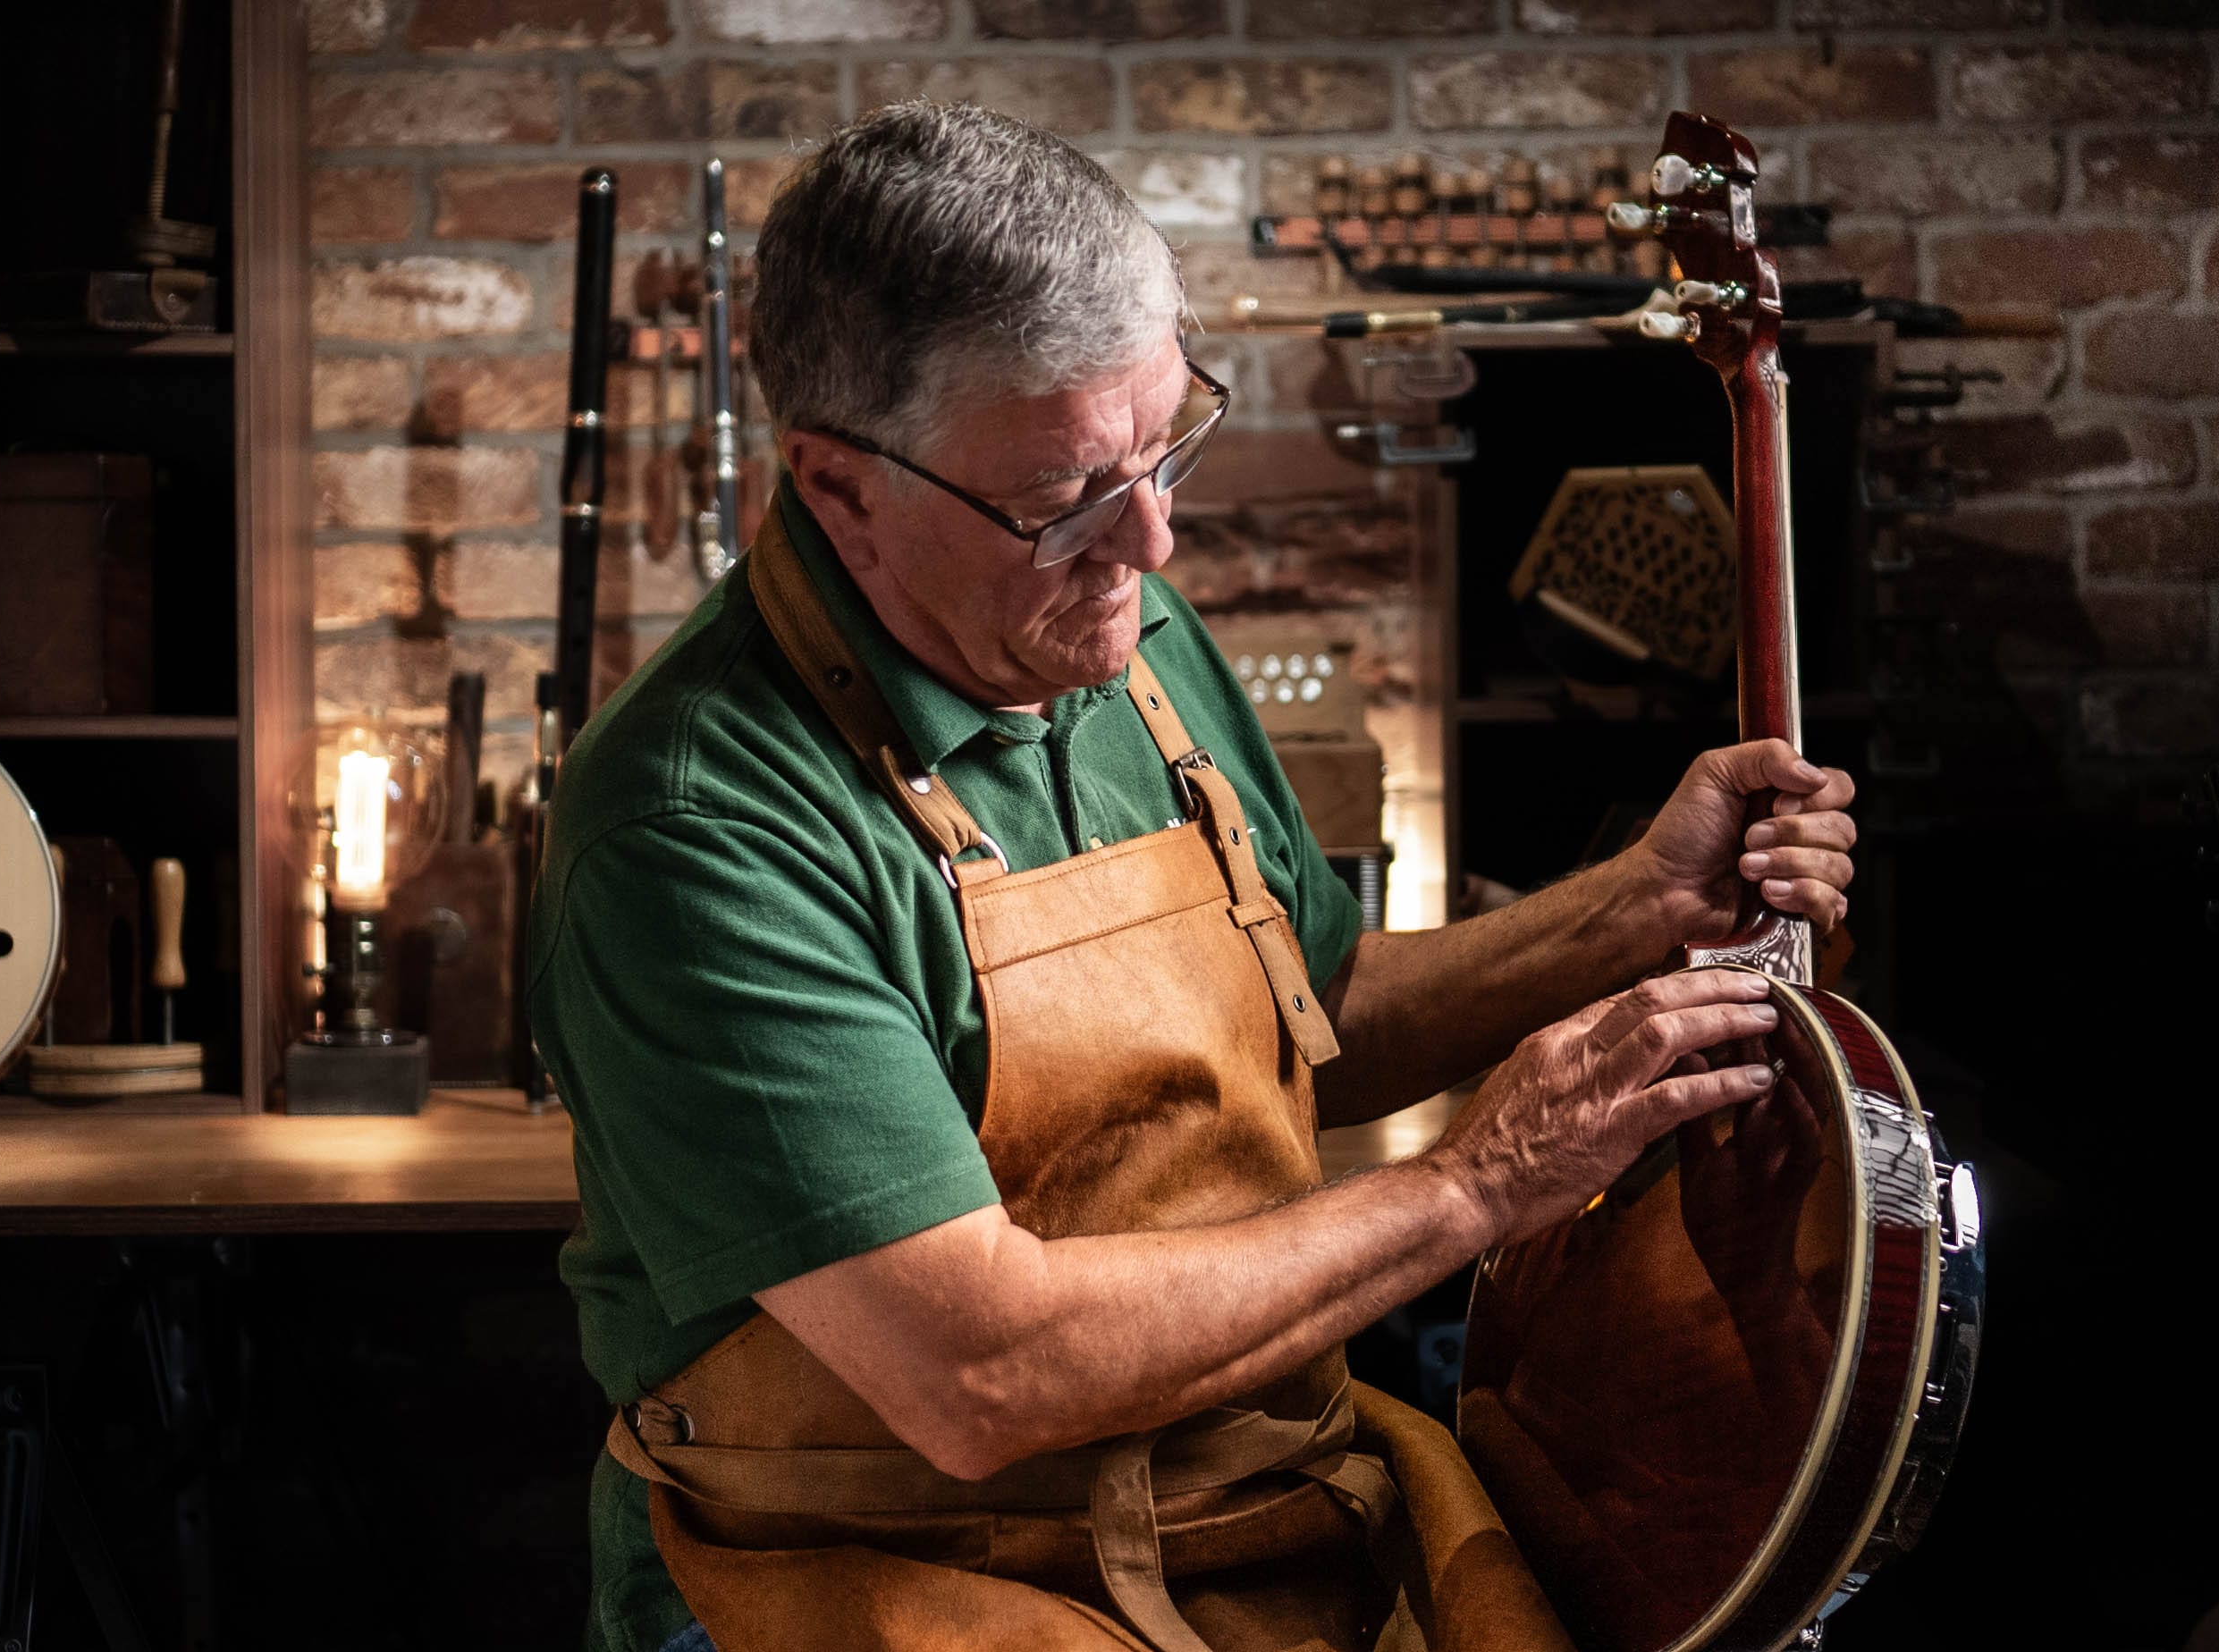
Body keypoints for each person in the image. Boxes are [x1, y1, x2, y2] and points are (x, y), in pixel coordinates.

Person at [528, 102, 1859, 1652]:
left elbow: (1311, 1009)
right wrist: (1478, 1185)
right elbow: (982, 1374)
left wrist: (1630, 910)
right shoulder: (698, 827)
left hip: (1247, 1499)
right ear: (840, 491)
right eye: (1069, 502)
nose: (1151, 544)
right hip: (889, 1566)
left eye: (1167, 449)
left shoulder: (1116, 636)